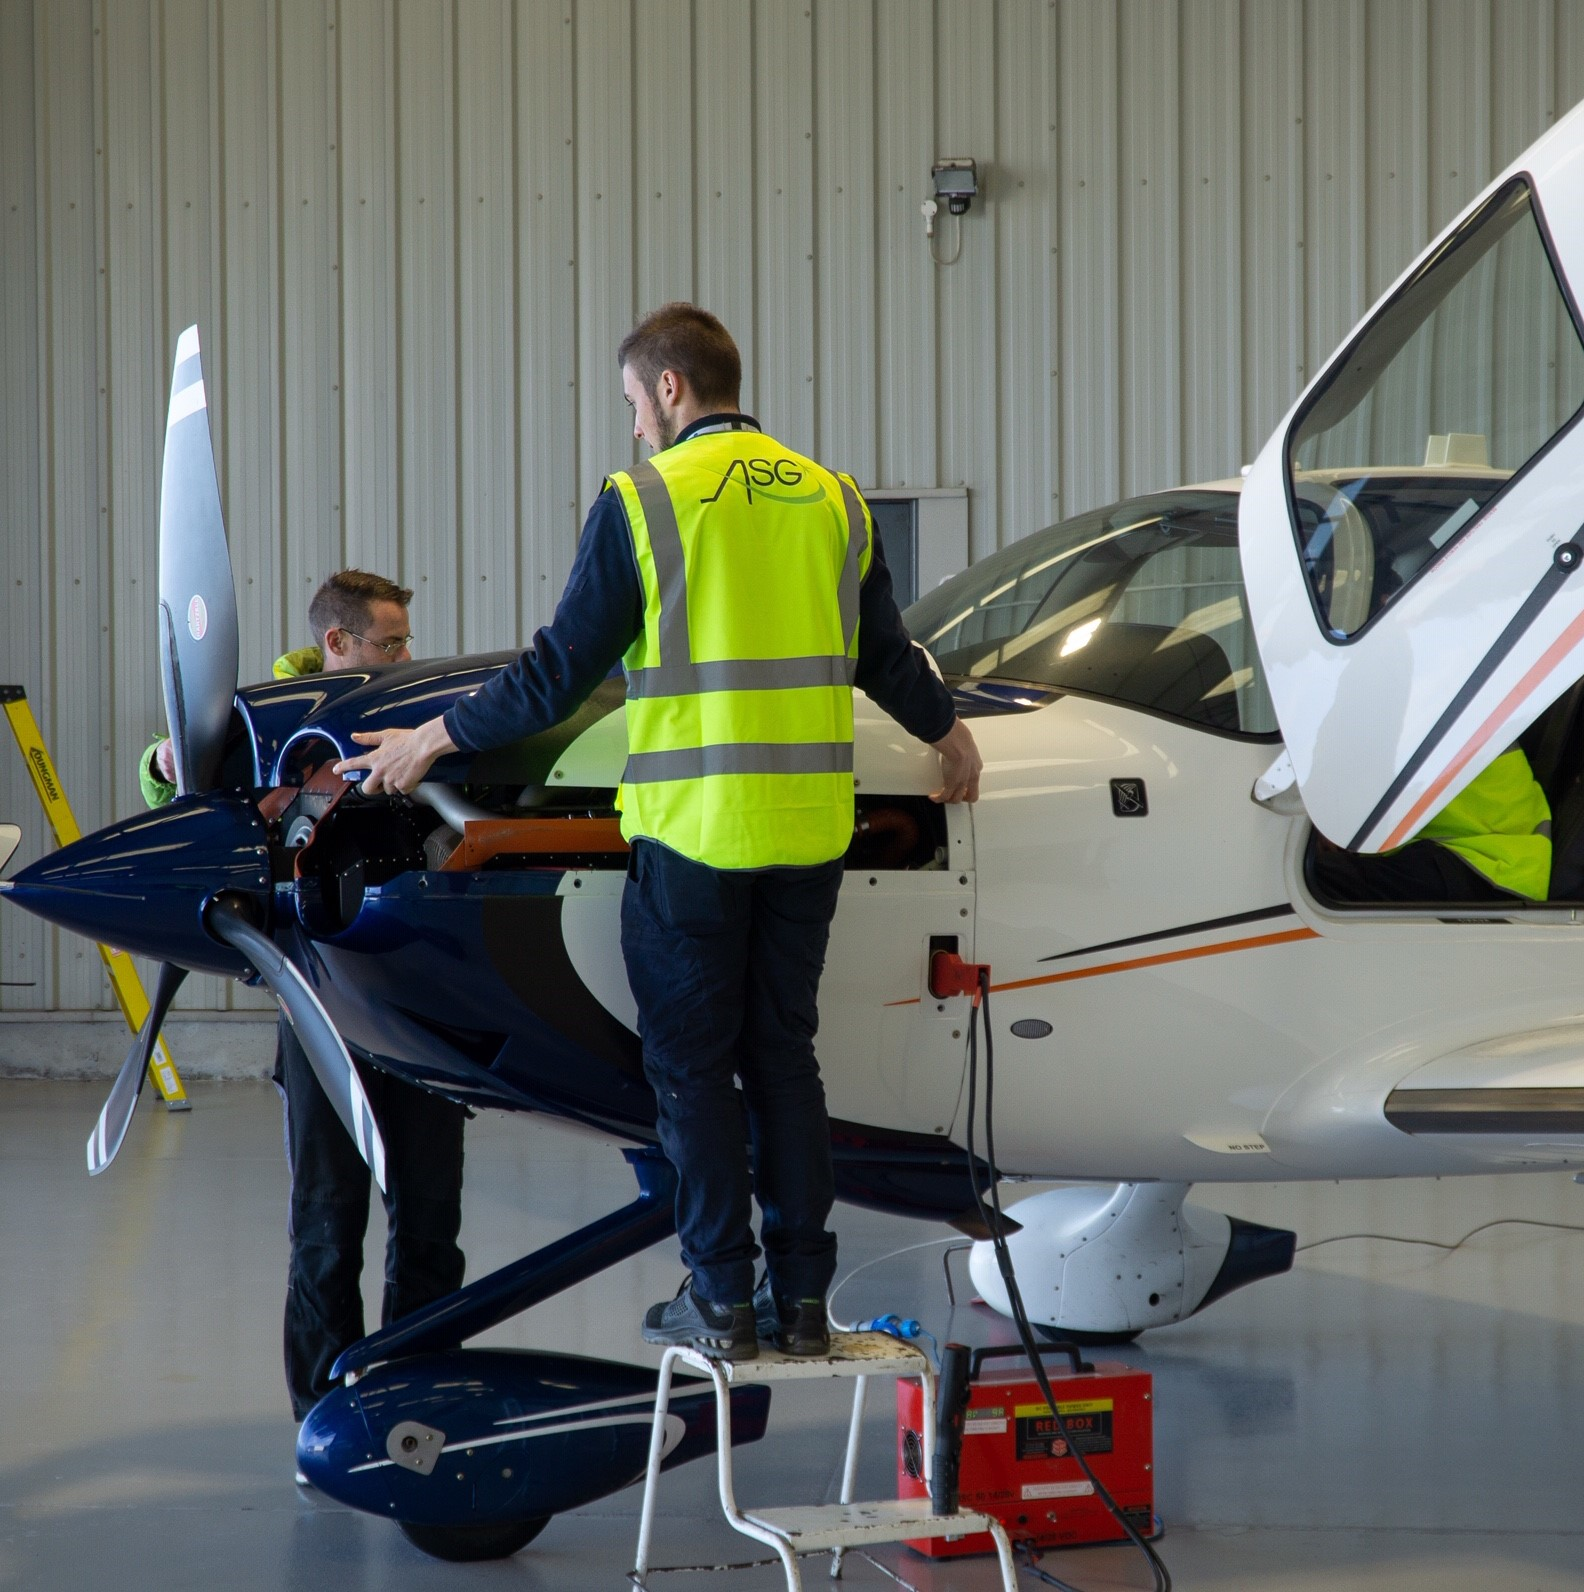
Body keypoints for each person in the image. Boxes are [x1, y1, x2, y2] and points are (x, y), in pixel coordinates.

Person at [337, 303, 982, 1361]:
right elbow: (885, 654)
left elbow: (557, 674)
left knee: (689, 1068)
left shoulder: (644, 498)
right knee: (784, 1059)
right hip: (809, 829)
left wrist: (434, 738)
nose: (635, 425)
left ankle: (723, 1297)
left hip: (693, 835)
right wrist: (947, 733)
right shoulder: (831, 496)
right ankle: (805, 1303)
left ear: (670, 389)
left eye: (635, 403)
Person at [142, 570, 468, 1436]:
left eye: (406, 642)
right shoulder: (264, 720)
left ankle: (419, 1394)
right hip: (323, 1008)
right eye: (390, 644)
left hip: (422, 1004)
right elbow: (172, 782)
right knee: (328, 1227)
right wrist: (165, 757)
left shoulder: (412, 711)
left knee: (431, 1223)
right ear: (337, 645)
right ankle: (323, 1413)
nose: (406, 657)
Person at [1310, 746, 1552, 904]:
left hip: (1488, 866)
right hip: (1480, 855)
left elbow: (1367, 775)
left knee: (1317, 878)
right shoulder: (1443, 685)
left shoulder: (1425, 694)